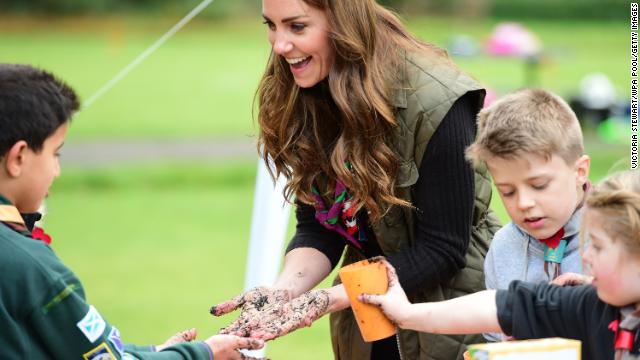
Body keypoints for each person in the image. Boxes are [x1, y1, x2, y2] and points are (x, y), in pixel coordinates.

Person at [210, 0, 501, 359]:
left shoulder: (436, 99)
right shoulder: (305, 84)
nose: (279, 45)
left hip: (448, 319)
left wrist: (326, 300)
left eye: (297, 27)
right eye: (271, 25)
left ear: (343, 22)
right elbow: (321, 225)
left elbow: (442, 249)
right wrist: (284, 294)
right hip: (366, 323)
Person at [0, 63, 265, 359]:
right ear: (18, 157)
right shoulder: (29, 267)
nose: (58, 170)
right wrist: (204, 354)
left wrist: (159, 352)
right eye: (55, 153)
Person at [360, 170, 640, 360]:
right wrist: (406, 313)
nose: (587, 257)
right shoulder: (592, 304)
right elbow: (500, 305)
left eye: (600, 247)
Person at [464, 88, 591, 341]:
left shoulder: (622, 236)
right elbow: (494, 338)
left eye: (539, 185)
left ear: (579, 172)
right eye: (507, 192)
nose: (523, 203)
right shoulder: (502, 248)